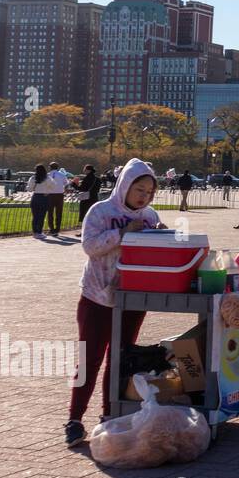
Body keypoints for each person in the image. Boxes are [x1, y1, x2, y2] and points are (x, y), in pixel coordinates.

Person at [65, 157, 164, 446]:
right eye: (139, 190)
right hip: (96, 297)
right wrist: (121, 233)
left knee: (120, 359)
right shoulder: (101, 211)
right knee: (89, 359)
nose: (144, 197)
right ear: (125, 186)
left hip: (132, 299)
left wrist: (161, 236)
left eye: (149, 192)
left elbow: (157, 254)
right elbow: (89, 246)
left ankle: (110, 417)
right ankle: (74, 419)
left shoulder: (150, 217)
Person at [26, 164, 50, 238]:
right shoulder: (47, 178)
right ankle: (39, 232)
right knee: (41, 216)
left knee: (35, 216)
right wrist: (47, 191)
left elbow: (29, 189)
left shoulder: (33, 178)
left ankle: (35, 232)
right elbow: (54, 186)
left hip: (35, 197)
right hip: (44, 197)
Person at [45, 162, 69, 235]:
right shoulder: (62, 175)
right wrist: (64, 190)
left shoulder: (47, 175)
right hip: (59, 195)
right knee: (59, 212)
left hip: (50, 195)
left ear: (50, 167)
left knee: (50, 213)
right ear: (57, 167)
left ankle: (51, 229)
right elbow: (66, 184)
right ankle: (57, 228)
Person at [76, 165, 102, 230]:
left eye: (85, 169)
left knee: (84, 214)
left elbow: (82, 188)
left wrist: (74, 184)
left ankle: (84, 230)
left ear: (88, 170)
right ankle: (93, 229)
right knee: (92, 214)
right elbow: (98, 189)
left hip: (86, 198)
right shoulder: (97, 179)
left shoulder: (87, 178)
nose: (84, 170)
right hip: (94, 197)